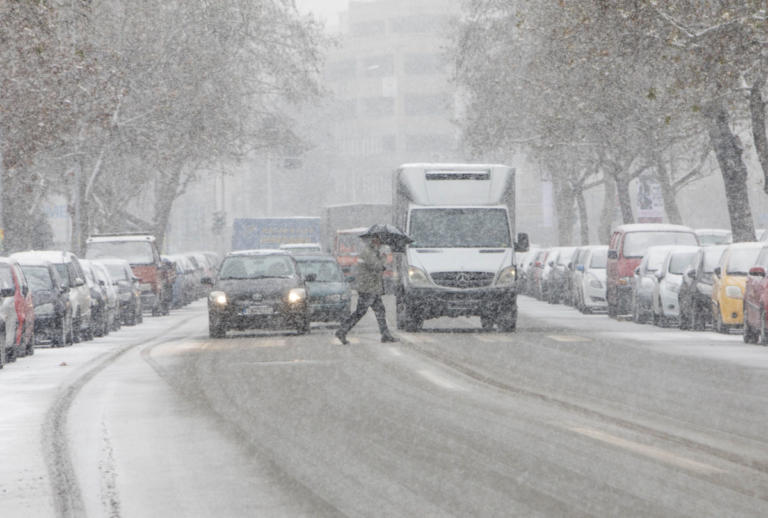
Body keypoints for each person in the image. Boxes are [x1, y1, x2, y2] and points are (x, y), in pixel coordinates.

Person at [335, 236, 398, 344]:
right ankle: (342, 331)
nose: (380, 243)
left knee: (379, 310)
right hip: (367, 288)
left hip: (371, 287)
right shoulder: (368, 252)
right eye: (379, 241)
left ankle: (385, 334)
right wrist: (383, 258)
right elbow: (377, 266)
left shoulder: (372, 252)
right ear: (373, 241)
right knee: (361, 312)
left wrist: (380, 258)